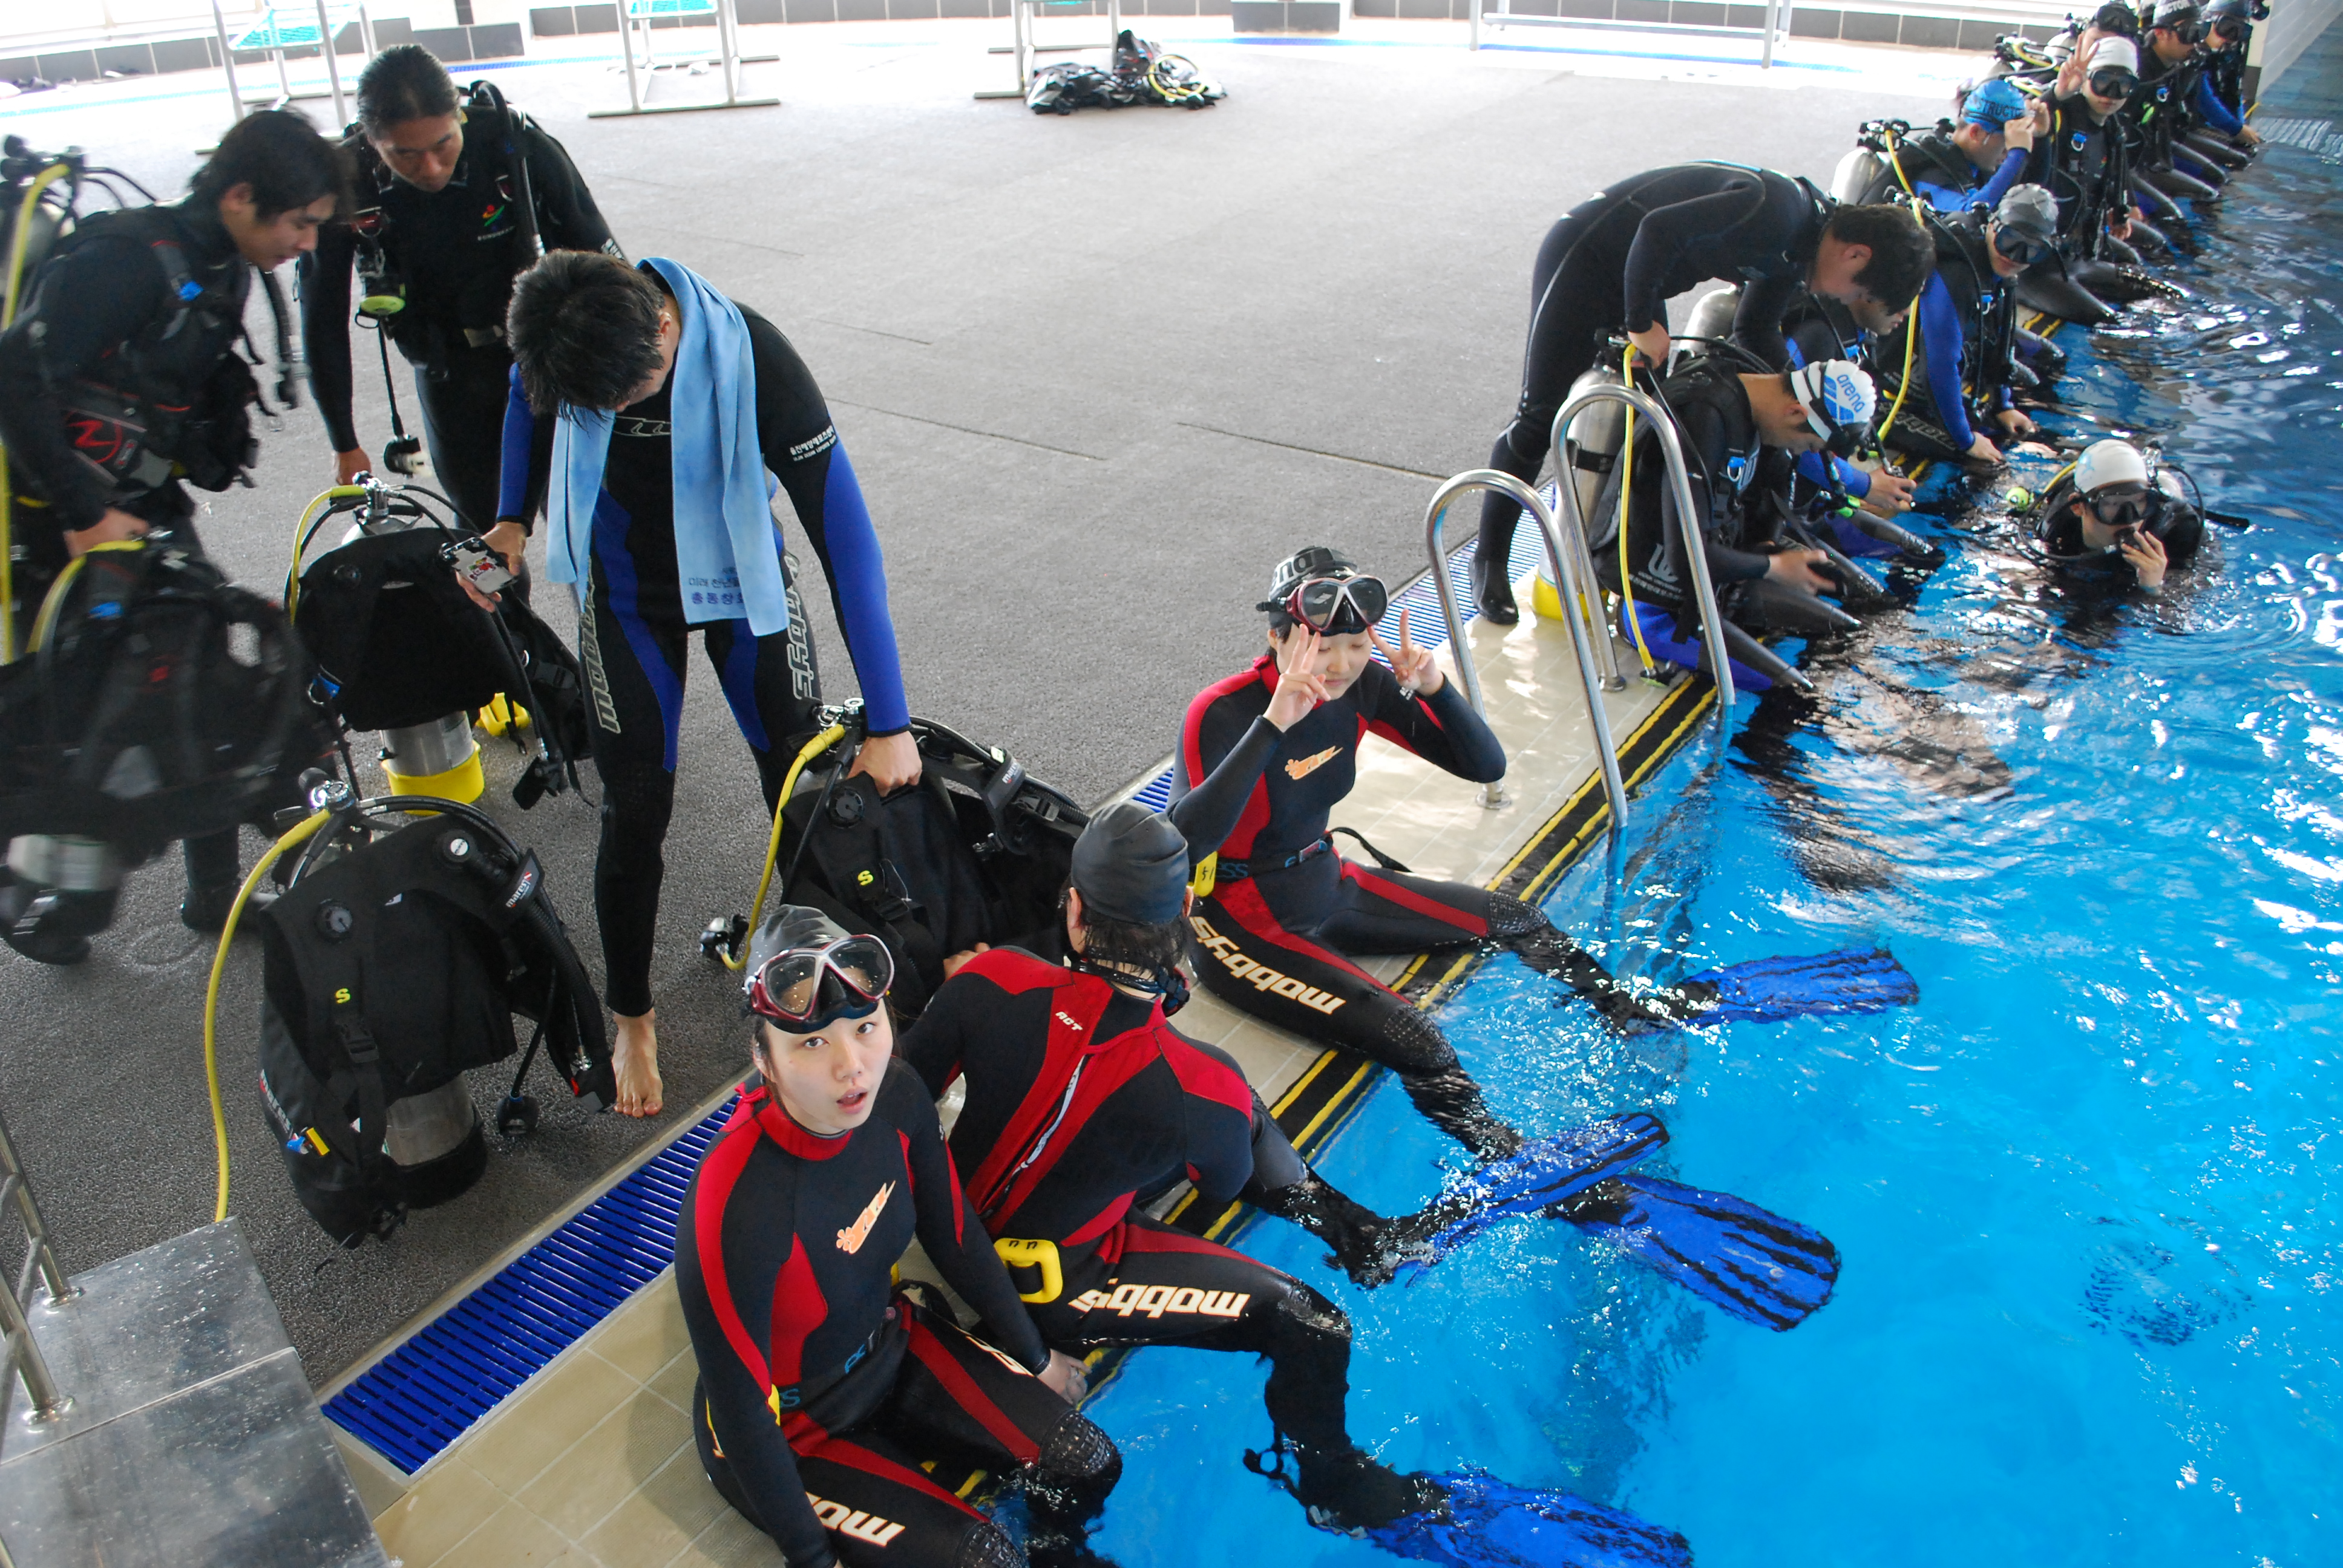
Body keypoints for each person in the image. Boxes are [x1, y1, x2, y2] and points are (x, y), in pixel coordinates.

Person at [900, 807, 1702, 1566]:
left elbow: (906, 1101)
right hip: (1062, 1287)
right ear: (1185, 915)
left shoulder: (988, 980)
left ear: (1074, 912)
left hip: (949, 1229)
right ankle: (1331, 1479)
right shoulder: (1201, 1084)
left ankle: (1362, 1235)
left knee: (1215, 1110)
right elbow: (1221, 1185)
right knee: (1311, 1322)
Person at [1168, 546, 1918, 1159]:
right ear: (1278, 639)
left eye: (1355, 646)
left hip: (1327, 882)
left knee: (1516, 919)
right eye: (1320, 647)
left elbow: (1483, 765)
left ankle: (1624, 1009)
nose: (1336, 665)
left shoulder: (1359, 686)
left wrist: (1434, 687)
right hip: (1239, 923)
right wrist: (1273, 724)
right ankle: (1506, 1156)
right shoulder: (1224, 712)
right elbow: (1184, 843)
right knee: (1410, 1035)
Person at [500, 250, 923, 1117]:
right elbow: (522, 394)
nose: (618, 414)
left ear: (665, 329)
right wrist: (510, 517)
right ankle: (633, 1017)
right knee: (634, 812)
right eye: (601, 410)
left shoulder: (757, 359)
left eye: (631, 397)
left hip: (743, 582)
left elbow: (848, 548)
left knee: (799, 794)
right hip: (627, 592)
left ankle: (827, 995)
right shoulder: (567, 330)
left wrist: (890, 722)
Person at [0, 109, 347, 956]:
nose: (307, 243)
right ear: (239, 196)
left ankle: (213, 899)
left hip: (144, 512)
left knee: (194, 687)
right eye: (299, 223)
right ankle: (51, 908)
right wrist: (82, 514)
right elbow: (12, 376)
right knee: (78, 724)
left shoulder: (221, 261)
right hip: (64, 524)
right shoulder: (125, 260)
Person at [676, 906, 1115, 1568]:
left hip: (891, 1343)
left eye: (865, 1028)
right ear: (763, 1058)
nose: (852, 1067)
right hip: (791, 1425)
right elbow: (739, 1410)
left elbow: (953, 1232)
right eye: (811, 1044)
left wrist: (1033, 1356)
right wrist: (811, 1557)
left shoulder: (899, 1096)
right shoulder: (734, 1200)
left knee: (1089, 1462)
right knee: (984, 1559)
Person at [1470, 166, 1937, 622]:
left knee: (1647, 412)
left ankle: (1609, 551)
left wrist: (1798, 397)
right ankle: (1489, 559)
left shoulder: (1801, 249)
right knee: (1539, 418)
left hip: (1639, 267)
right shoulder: (1779, 213)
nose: (1843, 300)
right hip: (1588, 251)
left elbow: (1755, 329)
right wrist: (1639, 323)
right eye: (1856, 292)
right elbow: (1656, 229)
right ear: (1855, 255)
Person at [301, 44, 620, 555]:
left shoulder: (516, 147)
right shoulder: (349, 183)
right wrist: (344, 441)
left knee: (585, 525)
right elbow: (322, 320)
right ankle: (499, 611)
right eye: (405, 154)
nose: (431, 168)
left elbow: (609, 267)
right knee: (478, 535)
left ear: (459, 116)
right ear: (372, 140)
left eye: (443, 143)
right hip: (450, 370)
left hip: (546, 357)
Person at [1867, 186, 2062, 469]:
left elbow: (2001, 339)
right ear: (1992, 225)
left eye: (2032, 251)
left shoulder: (1999, 270)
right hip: (1887, 399)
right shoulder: (1956, 272)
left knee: (2028, 406)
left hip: (1931, 390)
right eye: (2009, 241)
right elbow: (1940, 365)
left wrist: (2003, 405)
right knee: (1989, 464)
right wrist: (1966, 439)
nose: (2015, 256)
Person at [2030, 437, 2204, 595]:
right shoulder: (2059, 526)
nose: (2130, 519)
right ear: (2078, 507)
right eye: (2113, 504)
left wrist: (2154, 588)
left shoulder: (2175, 529)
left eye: (2139, 502)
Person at [1882, 78, 2047, 212]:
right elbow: (1972, 214)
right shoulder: (1931, 170)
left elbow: (2029, 198)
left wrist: (2041, 138)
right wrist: (2018, 153)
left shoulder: (1975, 162)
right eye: (2007, 141)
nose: (2008, 152)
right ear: (1976, 133)